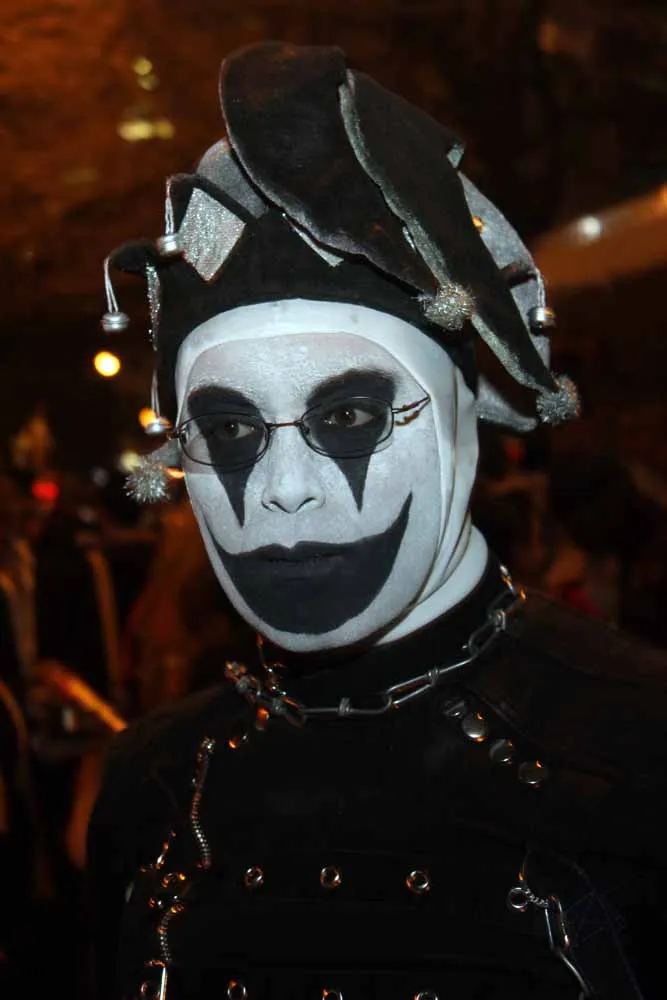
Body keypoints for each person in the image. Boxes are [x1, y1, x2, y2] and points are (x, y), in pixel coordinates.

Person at [87, 41, 667, 1000]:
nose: (283, 488)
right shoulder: (150, 783)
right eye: (227, 431)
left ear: (460, 421)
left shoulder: (640, 752)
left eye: (349, 417)